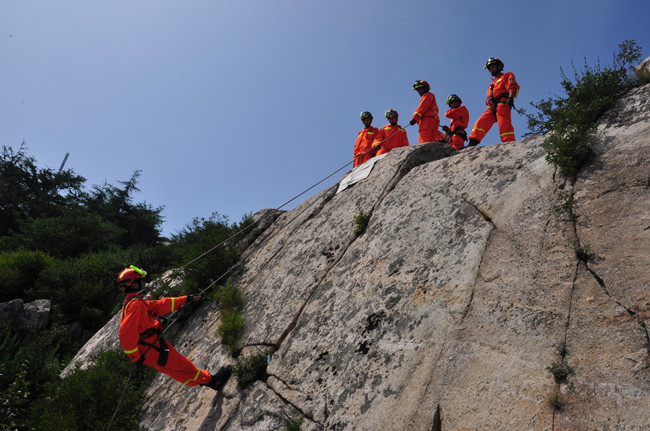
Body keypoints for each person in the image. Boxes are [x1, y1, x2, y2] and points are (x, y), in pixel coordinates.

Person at [117, 265, 231, 390]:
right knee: (181, 365)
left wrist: (186, 299)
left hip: (151, 347)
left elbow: (160, 305)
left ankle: (210, 382)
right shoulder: (136, 305)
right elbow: (125, 333)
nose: (145, 283)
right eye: (142, 281)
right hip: (151, 348)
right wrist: (135, 356)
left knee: (176, 369)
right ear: (134, 285)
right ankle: (212, 381)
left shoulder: (133, 302)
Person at [467, 57, 520, 146]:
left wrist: (511, 98)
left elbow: (512, 86)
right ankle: (472, 143)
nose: (491, 70)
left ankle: (509, 145)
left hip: (502, 104)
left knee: (505, 126)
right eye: (489, 68)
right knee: (480, 122)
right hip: (491, 107)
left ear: (499, 66)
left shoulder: (506, 75)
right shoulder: (492, 84)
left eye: (492, 67)